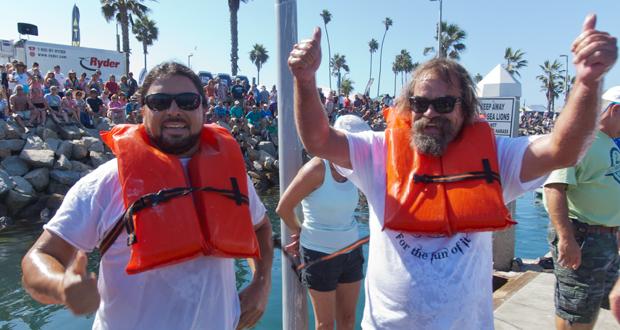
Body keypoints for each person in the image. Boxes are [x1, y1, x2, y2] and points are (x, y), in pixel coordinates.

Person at [287, 15, 617, 329]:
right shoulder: (378, 150)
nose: (431, 112)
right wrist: (305, 80)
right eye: (420, 103)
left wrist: (588, 81)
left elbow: (565, 148)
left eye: (444, 104)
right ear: (409, 107)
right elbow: (319, 140)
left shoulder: (498, 158)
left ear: (466, 108)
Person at [21, 62, 273, 330]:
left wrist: (261, 282)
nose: (174, 110)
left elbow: (260, 227)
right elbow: (39, 257)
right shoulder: (104, 183)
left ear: (203, 108)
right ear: (142, 110)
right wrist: (61, 285)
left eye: (187, 101)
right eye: (160, 102)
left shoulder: (232, 176)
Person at [277, 115, 369, 330]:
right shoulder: (317, 168)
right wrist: (299, 232)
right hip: (319, 254)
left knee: (347, 320)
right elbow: (283, 207)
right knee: (325, 325)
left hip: (352, 252)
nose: (356, 149)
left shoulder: (358, 169)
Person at [543, 86, 620, 330]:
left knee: (594, 302)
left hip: (607, 238)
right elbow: (554, 187)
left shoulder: (608, 142)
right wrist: (566, 238)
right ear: (615, 110)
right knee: (576, 311)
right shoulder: (579, 141)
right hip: (583, 236)